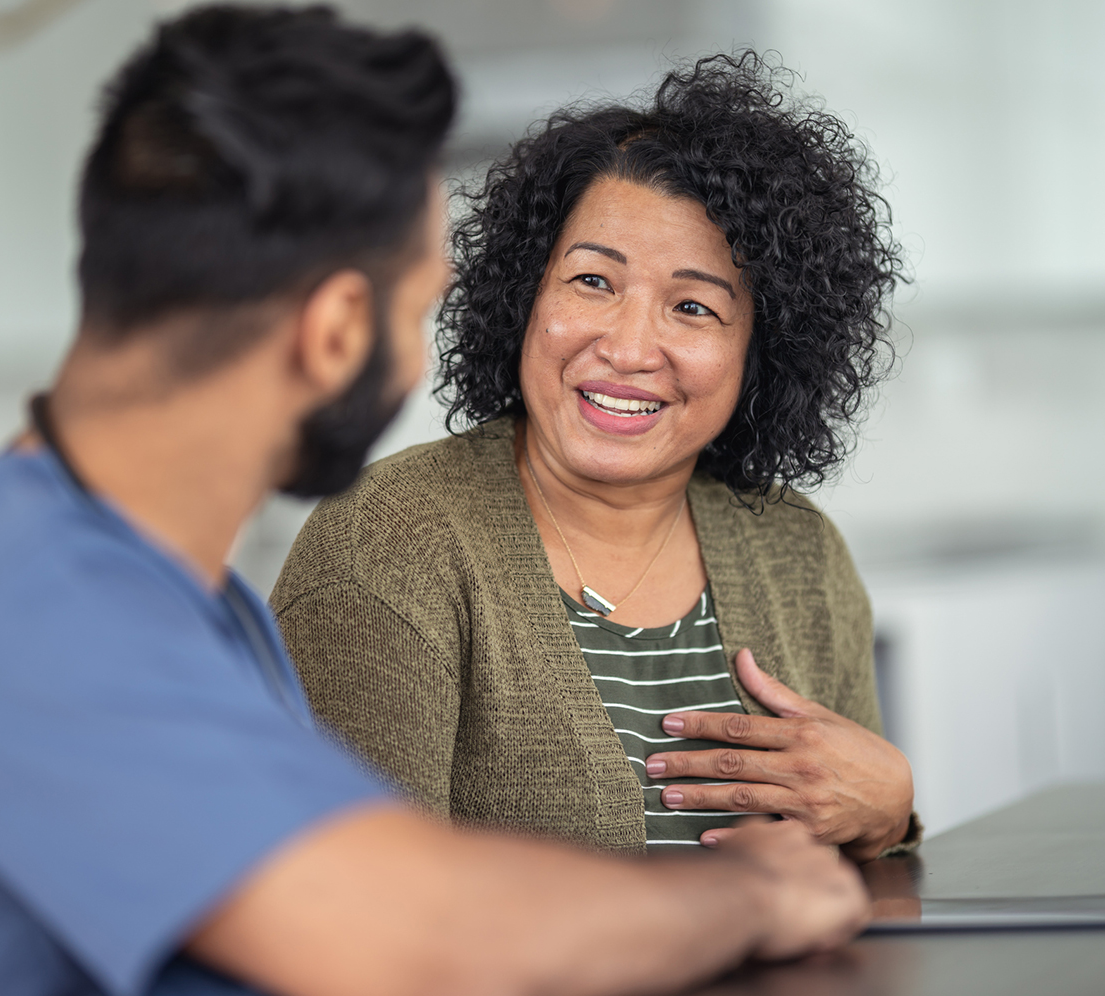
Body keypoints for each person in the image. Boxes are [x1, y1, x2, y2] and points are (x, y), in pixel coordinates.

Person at [0, 8, 869, 995]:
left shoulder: (163, 593)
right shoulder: (29, 605)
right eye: (422, 299)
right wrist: (751, 894)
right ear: (336, 329)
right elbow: (408, 943)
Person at [273, 54, 920, 861]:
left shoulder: (799, 550)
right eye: (591, 281)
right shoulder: (388, 544)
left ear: (763, 350)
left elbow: (863, 890)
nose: (627, 346)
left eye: (692, 306)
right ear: (525, 296)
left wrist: (891, 814)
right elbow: (357, 909)